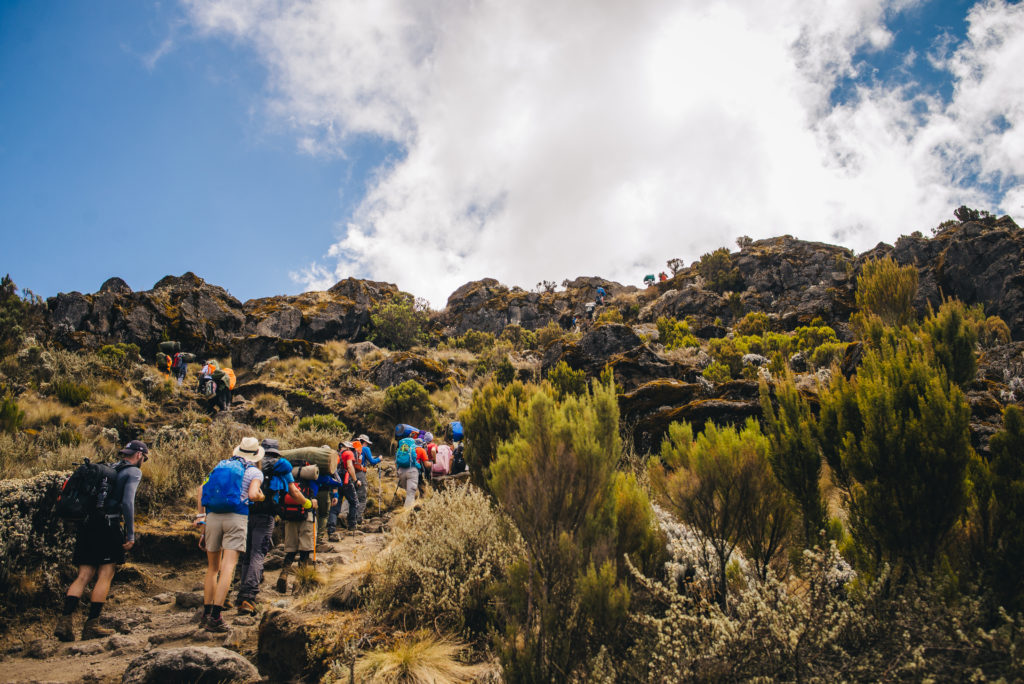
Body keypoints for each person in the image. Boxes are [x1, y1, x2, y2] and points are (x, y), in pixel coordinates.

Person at [55, 440, 149, 642]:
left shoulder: (109, 469)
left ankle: (65, 622)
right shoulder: (133, 472)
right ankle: (92, 625)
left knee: (84, 575)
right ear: (139, 455)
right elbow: (127, 502)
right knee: (106, 573)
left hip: (87, 524)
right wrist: (130, 534)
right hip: (108, 525)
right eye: (145, 458)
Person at [194, 437, 265, 632]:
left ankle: (206, 613)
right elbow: (252, 494)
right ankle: (217, 616)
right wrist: (260, 495)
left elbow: (201, 489)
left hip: (213, 517)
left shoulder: (221, 466)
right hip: (236, 517)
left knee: (212, 569)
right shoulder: (254, 471)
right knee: (228, 566)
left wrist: (202, 520)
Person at [235, 439, 310, 616]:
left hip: (244, 513)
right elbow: (293, 491)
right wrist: (307, 503)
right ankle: (248, 596)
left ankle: (241, 594)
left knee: (246, 553)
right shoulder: (281, 466)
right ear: (276, 451)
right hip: (266, 514)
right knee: (258, 553)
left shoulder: (250, 464)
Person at [276, 469, 317, 594]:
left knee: (291, 549)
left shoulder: (288, 477)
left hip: (290, 515)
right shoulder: (312, 476)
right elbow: (316, 491)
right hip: (307, 514)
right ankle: (299, 581)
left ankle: (284, 573)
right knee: (305, 550)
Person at [353, 434, 379, 525]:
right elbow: (372, 462)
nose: (367, 445)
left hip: (350, 474)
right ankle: (357, 518)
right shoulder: (365, 449)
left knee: (352, 496)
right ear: (364, 442)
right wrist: (379, 459)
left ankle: (345, 515)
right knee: (362, 498)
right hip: (360, 474)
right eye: (367, 443)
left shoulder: (351, 447)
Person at [337, 441, 361, 534]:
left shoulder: (336, 454)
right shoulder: (348, 453)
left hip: (336, 481)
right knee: (354, 502)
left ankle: (332, 526)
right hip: (346, 481)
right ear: (347, 447)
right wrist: (355, 480)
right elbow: (350, 467)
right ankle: (352, 525)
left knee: (336, 503)